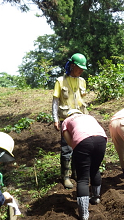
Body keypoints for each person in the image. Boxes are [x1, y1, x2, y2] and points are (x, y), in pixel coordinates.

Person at [62, 109, 107, 220]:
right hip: (101, 139)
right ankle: (96, 198)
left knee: (83, 178)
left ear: (69, 115)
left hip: (83, 142)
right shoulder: (89, 116)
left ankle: (84, 214)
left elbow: (69, 141)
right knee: (95, 169)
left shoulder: (66, 121)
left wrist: (78, 150)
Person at [52, 53, 88, 189]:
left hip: (80, 120)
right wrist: (55, 119)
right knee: (66, 148)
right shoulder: (60, 81)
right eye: (79, 68)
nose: (81, 71)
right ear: (72, 66)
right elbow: (55, 101)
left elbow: (83, 100)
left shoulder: (82, 81)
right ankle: (65, 176)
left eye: (83, 68)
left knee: (78, 147)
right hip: (66, 120)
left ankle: (75, 173)